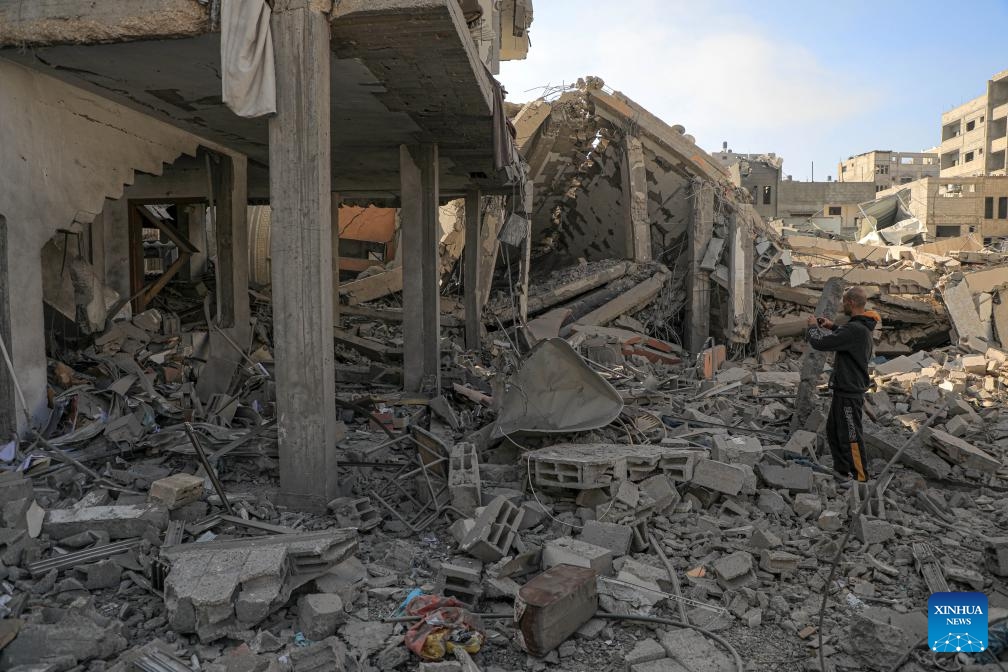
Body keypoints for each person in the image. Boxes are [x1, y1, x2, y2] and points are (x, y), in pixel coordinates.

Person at [804, 286, 881, 483]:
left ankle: (860, 477)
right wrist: (831, 327)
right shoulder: (859, 327)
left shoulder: (856, 329)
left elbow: (820, 344)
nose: (842, 306)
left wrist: (813, 327)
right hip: (843, 390)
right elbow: (846, 336)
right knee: (834, 431)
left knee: (851, 436)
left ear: (851, 303)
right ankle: (842, 471)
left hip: (849, 392)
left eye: (844, 302)